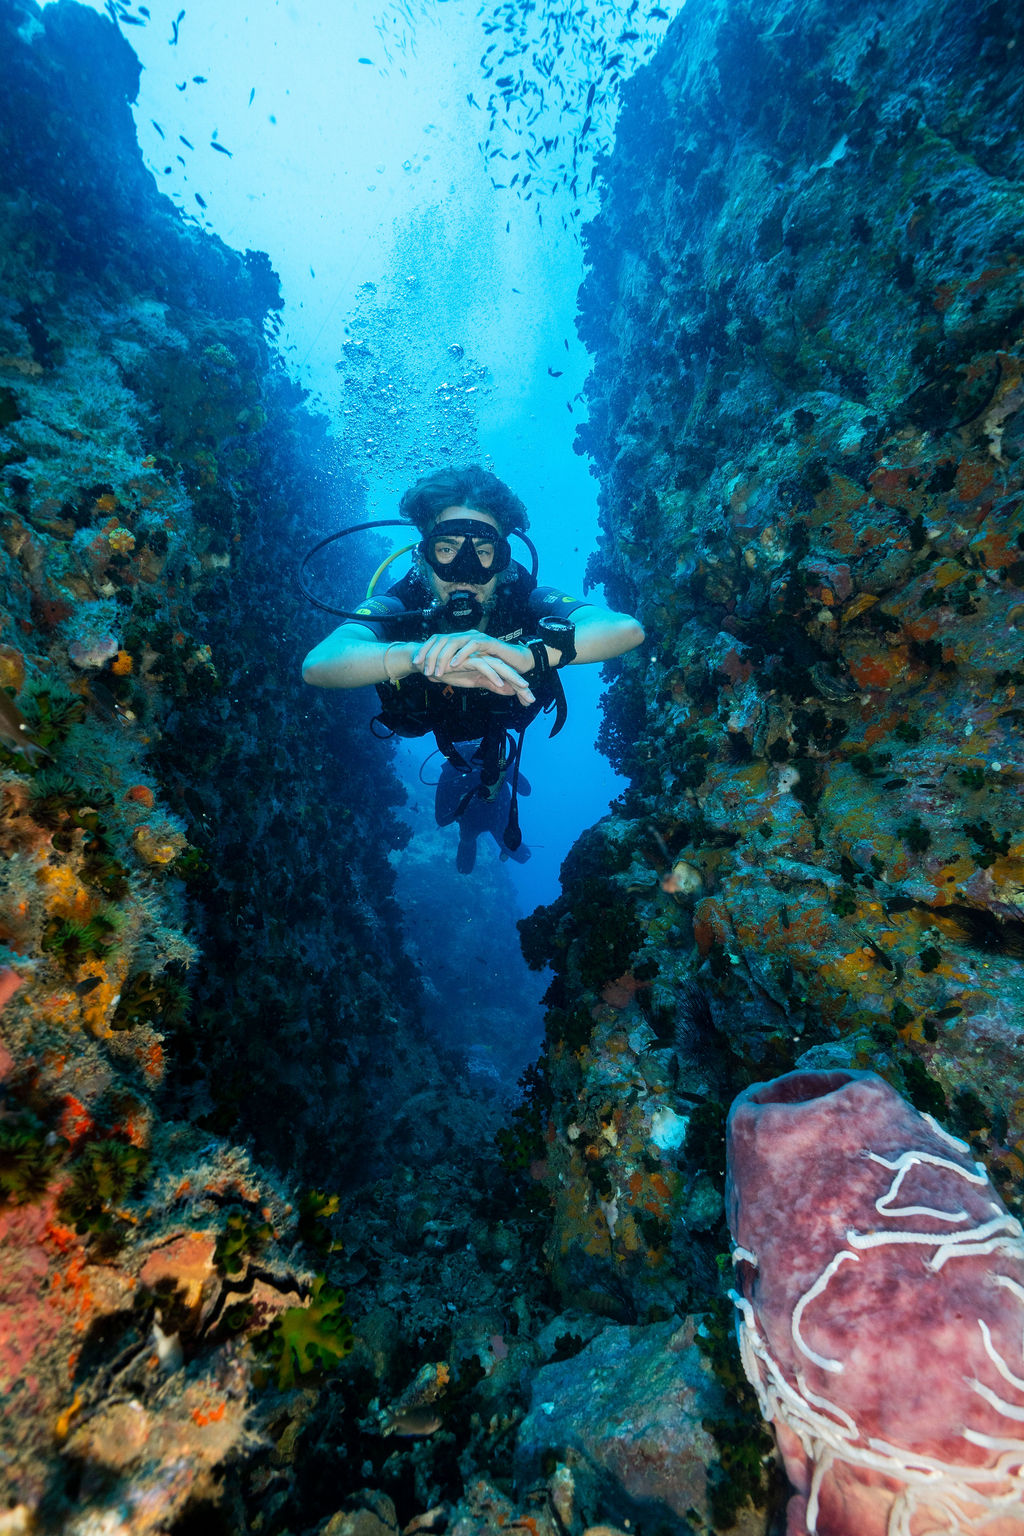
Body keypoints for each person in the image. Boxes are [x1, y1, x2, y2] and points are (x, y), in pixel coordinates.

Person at [302, 466, 644, 870]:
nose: (465, 571)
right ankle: (477, 800)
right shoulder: (402, 601)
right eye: (446, 549)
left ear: (503, 561)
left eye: (483, 552)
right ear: (423, 556)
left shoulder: (524, 596)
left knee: (492, 768)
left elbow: (626, 629)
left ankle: (491, 787)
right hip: (434, 717)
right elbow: (319, 663)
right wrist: (418, 656)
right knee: (461, 786)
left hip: (501, 720)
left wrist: (529, 655)